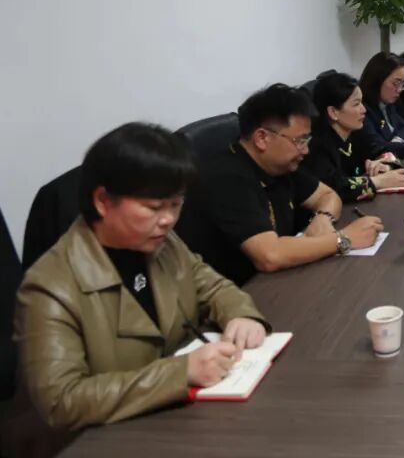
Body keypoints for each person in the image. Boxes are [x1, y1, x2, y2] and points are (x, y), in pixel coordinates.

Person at [15, 123, 270, 430]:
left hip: (178, 420)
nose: (168, 220)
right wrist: (181, 373)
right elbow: (62, 401)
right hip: (103, 441)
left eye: (176, 205)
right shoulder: (49, 287)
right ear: (102, 201)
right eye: (154, 208)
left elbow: (211, 286)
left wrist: (240, 315)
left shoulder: (161, 241)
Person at [176, 84, 384, 286]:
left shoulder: (281, 165)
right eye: (300, 141)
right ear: (262, 138)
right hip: (240, 292)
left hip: (278, 280)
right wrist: (344, 239)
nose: (306, 150)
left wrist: (323, 217)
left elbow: (328, 196)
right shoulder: (226, 177)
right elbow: (270, 256)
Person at [301, 72, 404, 203]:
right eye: (356, 104)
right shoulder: (317, 147)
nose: (363, 109)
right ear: (333, 112)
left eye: (362, 102)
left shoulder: (356, 132)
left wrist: (384, 166)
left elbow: (384, 151)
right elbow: (333, 188)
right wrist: (376, 182)